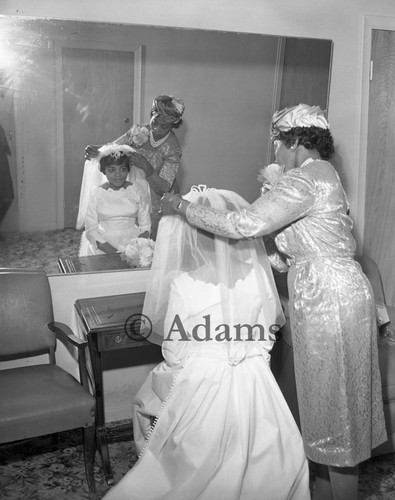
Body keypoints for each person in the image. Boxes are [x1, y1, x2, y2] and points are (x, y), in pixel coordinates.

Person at [159, 104, 387, 500]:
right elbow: (284, 254)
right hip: (326, 292)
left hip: (329, 298)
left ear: (296, 141)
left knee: (336, 420)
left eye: (278, 146)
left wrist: (182, 206)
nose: (276, 156)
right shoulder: (320, 176)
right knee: (323, 409)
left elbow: (241, 224)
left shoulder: (309, 177)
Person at [102, 186, 310, 500]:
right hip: (255, 378)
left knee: (156, 409)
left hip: (201, 379)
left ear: (192, 239)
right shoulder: (257, 276)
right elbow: (268, 332)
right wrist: (251, 362)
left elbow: (174, 350)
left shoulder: (184, 284)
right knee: (271, 454)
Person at [84, 94, 185, 239]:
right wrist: (97, 150)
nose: (156, 128)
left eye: (164, 126)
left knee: (149, 240)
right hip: (132, 188)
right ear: (152, 114)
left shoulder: (173, 148)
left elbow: (163, 188)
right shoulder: (140, 131)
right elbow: (115, 146)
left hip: (156, 198)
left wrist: (146, 166)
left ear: (173, 125)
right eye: (155, 121)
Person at [76, 144, 151, 256]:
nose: (118, 175)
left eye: (123, 169)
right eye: (111, 170)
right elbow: (91, 230)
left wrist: (134, 250)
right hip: (103, 245)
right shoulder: (96, 194)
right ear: (103, 171)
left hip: (133, 245)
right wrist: (115, 254)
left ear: (128, 170)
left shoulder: (137, 190)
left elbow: (145, 226)